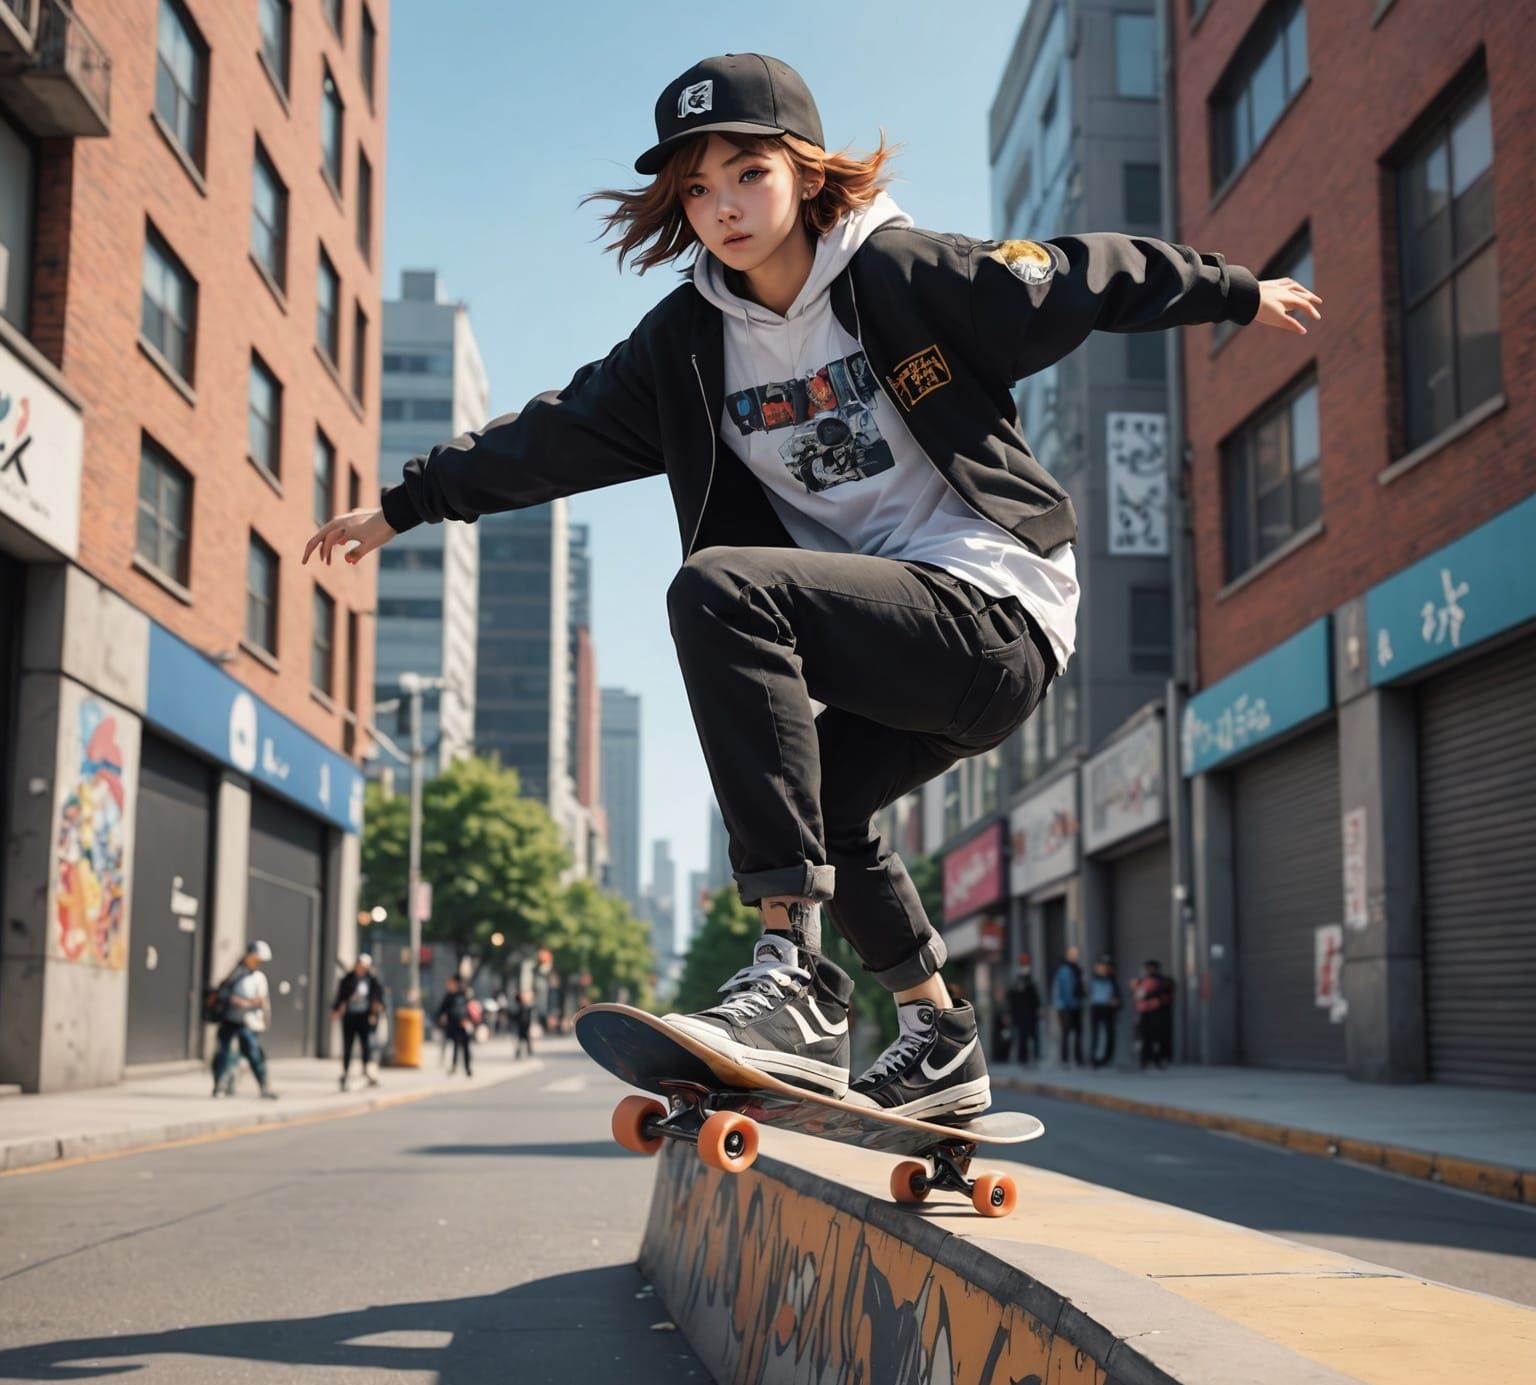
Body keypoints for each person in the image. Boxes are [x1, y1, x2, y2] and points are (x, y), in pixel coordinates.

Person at [303, 54, 1315, 1120]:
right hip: (891, 644)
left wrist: (1236, 288)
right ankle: (936, 1036)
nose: (724, 208)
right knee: (821, 803)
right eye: (697, 189)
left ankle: (789, 972)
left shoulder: (906, 275)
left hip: (996, 611)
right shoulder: (688, 347)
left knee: (720, 590)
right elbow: (553, 432)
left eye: (747, 174)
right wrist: (407, 504)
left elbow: (1084, 270)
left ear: (803, 170)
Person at [212, 940, 279, 1099]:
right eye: (255, 959)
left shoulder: (259, 978)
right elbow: (222, 993)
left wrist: (262, 1017)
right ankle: (220, 1086)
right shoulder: (235, 974)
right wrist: (233, 1000)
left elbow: (262, 1001)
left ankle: (264, 1086)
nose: (257, 963)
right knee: (224, 1054)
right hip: (230, 1020)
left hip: (249, 1023)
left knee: (254, 1054)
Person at [331, 952, 386, 1091]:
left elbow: (377, 998)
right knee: (348, 1046)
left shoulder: (372, 980)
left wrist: (374, 1013)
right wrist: (336, 1010)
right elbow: (341, 997)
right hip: (350, 1017)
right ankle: (345, 1073)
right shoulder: (348, 979)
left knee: (366, 1045)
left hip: (364, 1018)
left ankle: (367, 1072)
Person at [1133, 959, 1175, 1070]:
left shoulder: (1162, 981)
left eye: (1153, 968)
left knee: (1159, 1037)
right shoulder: (1141, 981)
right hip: (1144, 1012)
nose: (1150, 970)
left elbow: (1166, 995)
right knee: (1145, 1036)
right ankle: (1146, 1059)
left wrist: (1155, 997)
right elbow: (1138, 995)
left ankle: (1160, 1059)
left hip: (1158, 1012)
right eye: (1148, 968)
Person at [1053, 946, 1085, 1068]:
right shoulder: (1065, 970)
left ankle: (1078, 1059)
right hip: (1066, 1007)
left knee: (1078, 1033)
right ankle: (1065, 1060)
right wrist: (1067, 1004)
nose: (1074, 957)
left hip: (1075, 1005)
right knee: (1066, 1033)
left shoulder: (1076, 969)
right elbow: (1064, 989)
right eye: (1072, 954)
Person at [1088, 953, 1122, 1069]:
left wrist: (1116, 1002)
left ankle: (1106, 1059)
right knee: (1096, 1034)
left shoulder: (1112, 981)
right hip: (1097, 1007)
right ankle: (1094, 1059)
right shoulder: (1093, 979)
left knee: (1109, 1034)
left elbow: (1117, 997)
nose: (1104, 969)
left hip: (1108, 1008)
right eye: (1102, 966)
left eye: (1106, 966)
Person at [436, 975, 474, 1077]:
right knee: (456, 1046)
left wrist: (469, 1020)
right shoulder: (449, 996)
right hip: (454, 1025)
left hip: (465, 1024)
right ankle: (454, 1066)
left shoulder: (464, 994)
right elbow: (442, 1009)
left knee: (465, 1047)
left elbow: (470, 1008)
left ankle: (467, 1067)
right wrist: (439, 1019)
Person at [1006, 957, 1041, 1066]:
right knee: (1024, 1037)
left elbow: (1035, 998)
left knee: (1031, 1036)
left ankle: (1032, 1057)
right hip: (1023, 1015)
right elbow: (1011, 999)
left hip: (1029, 1014)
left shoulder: (1029, 984)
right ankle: (1025, 1058)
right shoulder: (1017, 984)